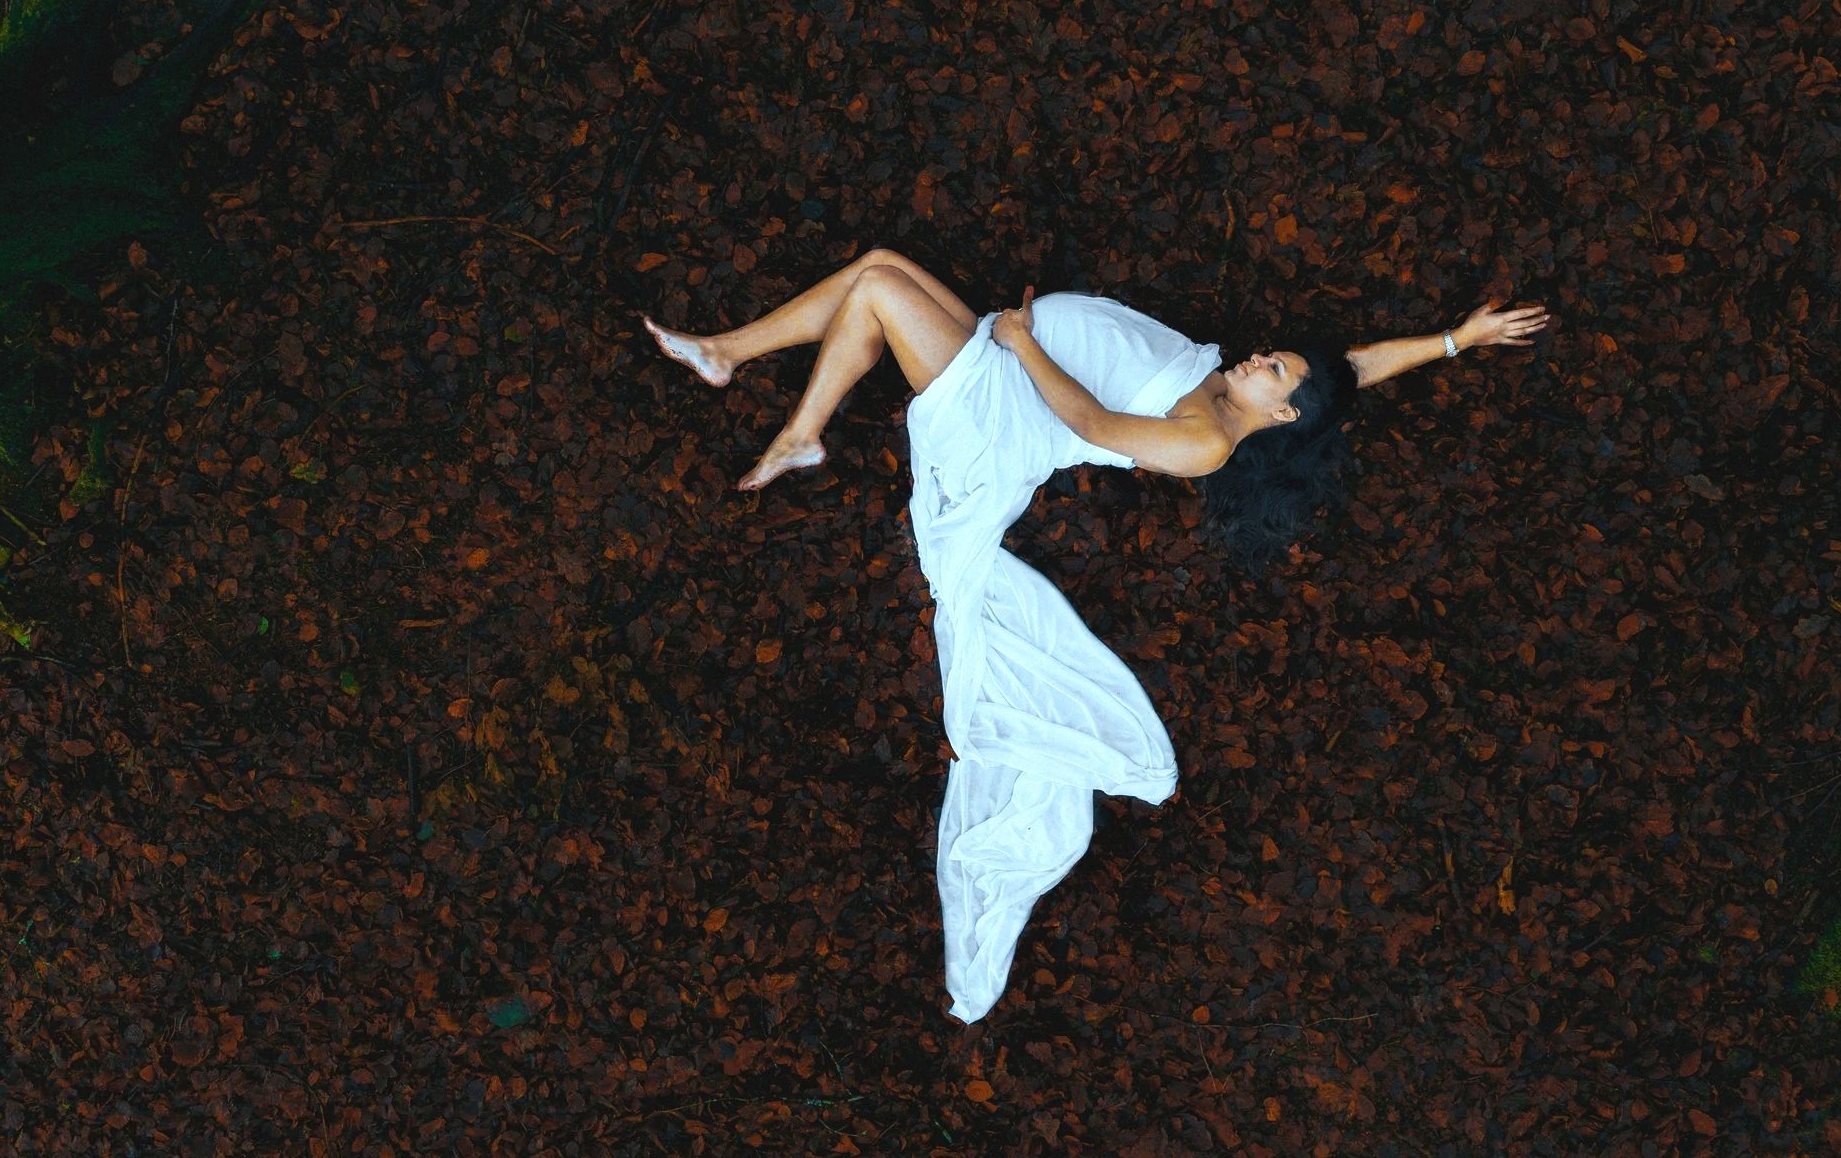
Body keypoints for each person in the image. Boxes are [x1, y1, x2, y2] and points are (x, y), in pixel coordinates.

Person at [644, 248, 1548, 1021]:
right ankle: (737, 366)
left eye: (1276, 373)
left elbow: (1091, 423)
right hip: (1007, 357)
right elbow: (1349, 368)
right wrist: (1457, 340)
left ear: (1276, 416)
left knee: (881, 292)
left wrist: (1028, 343)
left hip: (1008, 415)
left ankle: (791, 419)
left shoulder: (1206, 441)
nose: (1266, 357)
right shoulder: (1249, 394)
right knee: (879, 268)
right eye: (1274, 357)